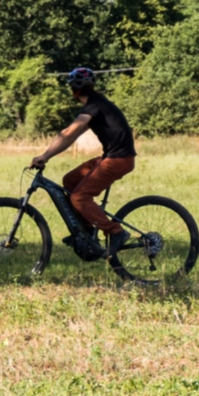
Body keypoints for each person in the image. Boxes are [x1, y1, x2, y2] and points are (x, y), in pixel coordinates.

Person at [30, 67, 136, 257]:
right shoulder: (97, 105)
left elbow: (69, 133)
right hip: (113, 158)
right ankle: (86, 233)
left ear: (74, 91)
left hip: (118, 160)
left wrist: (44, 156)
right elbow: (70, 136)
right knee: (70, 181)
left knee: (79, 197)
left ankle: (116, 232)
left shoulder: (93, 106)